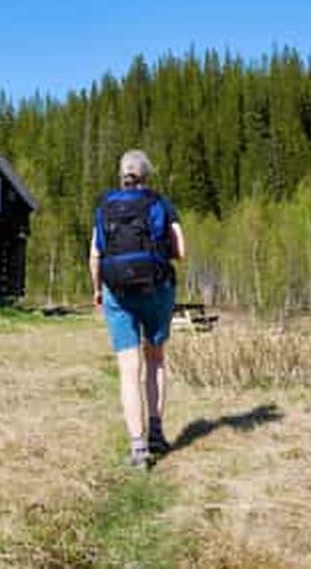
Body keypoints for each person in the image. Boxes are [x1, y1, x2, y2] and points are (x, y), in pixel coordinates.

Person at [89, 149, 186, 469]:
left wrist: (97, 291)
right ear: (148, 175)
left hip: (116, 291)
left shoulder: (106, 206)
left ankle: (138, 447)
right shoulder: (161, 203)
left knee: (128, 369)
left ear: (122, 176)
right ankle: (157, 431)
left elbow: (94, 255)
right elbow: (181, 250)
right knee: (155, 359)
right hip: (156, 289)